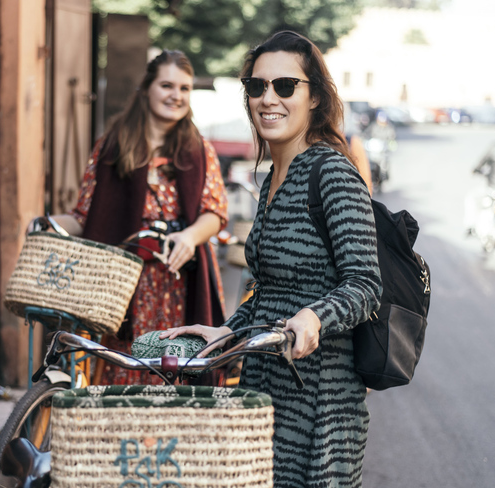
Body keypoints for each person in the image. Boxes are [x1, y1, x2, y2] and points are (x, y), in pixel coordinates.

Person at [161, 31, 382, 487]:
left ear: (315, 97)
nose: (268, 98)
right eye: (256, 86)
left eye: (285, 86)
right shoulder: (273, 179)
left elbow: (365, 284)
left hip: (320, 406)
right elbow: (270, 292)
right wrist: (227, 330)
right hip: (263, 392)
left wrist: (315, 317)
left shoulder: (333, 173)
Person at [36, 50, 228, 385]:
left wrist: (190, 236)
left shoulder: (198, 149)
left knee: (174, 366)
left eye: (184, 88)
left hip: (179, 280)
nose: (176, 95)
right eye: (167, 85)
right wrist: (43, 224)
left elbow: (215, 212)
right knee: (122, 370)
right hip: (124, 284)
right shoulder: (112, 146)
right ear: (147, 88)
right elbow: (86, 216)